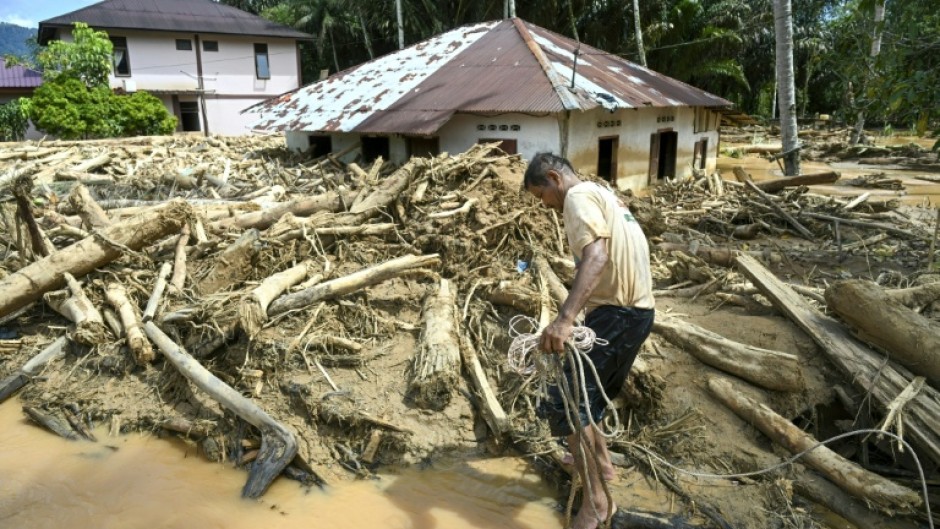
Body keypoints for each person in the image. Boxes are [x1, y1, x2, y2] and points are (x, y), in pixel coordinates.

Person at [523, 152, 655, 529]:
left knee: (565, 406)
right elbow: (602, 260)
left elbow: (596, 257)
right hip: (638, 314)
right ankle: (604, 466)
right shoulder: (603, 195)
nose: (544, 205)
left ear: (553, 178)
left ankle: (596, 504)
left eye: (541, 196)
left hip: (617, 315)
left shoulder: (578, 198)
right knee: (587, 398)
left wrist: (564, 320)